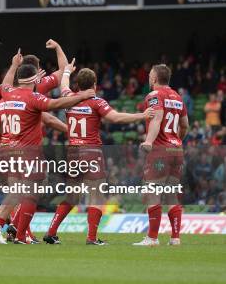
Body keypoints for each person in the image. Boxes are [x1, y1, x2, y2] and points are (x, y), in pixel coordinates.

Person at [0, 63, 96, 244]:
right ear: (34, 79)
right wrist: (81, 96)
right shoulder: (32, 97)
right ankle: (15, 232)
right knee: (31, 191)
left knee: (19, 190)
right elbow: (55, 104)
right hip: (27, 152)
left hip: (7, 150)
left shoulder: (5, 96)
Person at [44, 66, 152, 245]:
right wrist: (142, 115)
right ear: (94, 84)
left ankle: (51, 232)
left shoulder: (68, 98)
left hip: (72, 153)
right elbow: (116, 118)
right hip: (91, 152)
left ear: (77, 84)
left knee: (72, 196)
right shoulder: (96, 102)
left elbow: (64, 85)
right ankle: (92, 238)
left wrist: (66, 72)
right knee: (96, 196)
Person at [134, 64, 188, 246]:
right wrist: (176, 142)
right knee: (172, 194)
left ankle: (152, 238)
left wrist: (149, 141)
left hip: (159, 151)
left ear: (155, 79)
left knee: (152, 192)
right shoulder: (179, 98)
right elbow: (185, 125)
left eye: (150, 75)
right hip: (176, 151)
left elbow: (157, 119)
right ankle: (175, 238)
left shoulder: (154, 96)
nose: (149, 78)